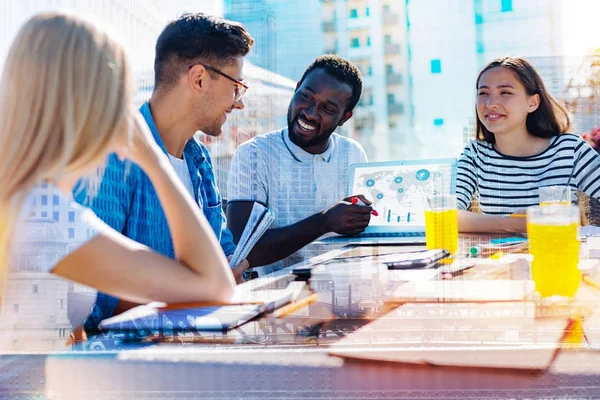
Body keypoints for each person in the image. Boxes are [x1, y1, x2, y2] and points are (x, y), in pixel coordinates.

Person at [0, 12, 235, 392]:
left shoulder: (29, 202)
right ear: (97, 105)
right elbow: (214, 284)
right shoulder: (44, 218)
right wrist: (155, 162)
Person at [75, 13, 253, 327]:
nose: (238, 103)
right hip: (125, 365)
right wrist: (196, 286)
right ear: (199, 79)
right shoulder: (111, 157)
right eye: (236, 86)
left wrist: (229, 271)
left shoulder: (200, 161)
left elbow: (222, 254)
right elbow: (92, 298)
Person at [227, 55, 372, 273]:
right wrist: (325, 222)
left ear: (345, 118)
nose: (310, 113)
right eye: (306, 96)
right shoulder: (254, 154)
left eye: (328, 109)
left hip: (340, 294)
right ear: (296, 89)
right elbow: (242, 249)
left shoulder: (353, 153)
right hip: (275, 297)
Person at [456, 56, 600, 232]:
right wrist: (516, 223)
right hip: (498, 258)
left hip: (558, 255)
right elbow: (448, 216)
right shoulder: (475, 155)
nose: (491, 103)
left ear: (533, 102)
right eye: (483, 93)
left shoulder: (570, 150)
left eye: (505, 92)